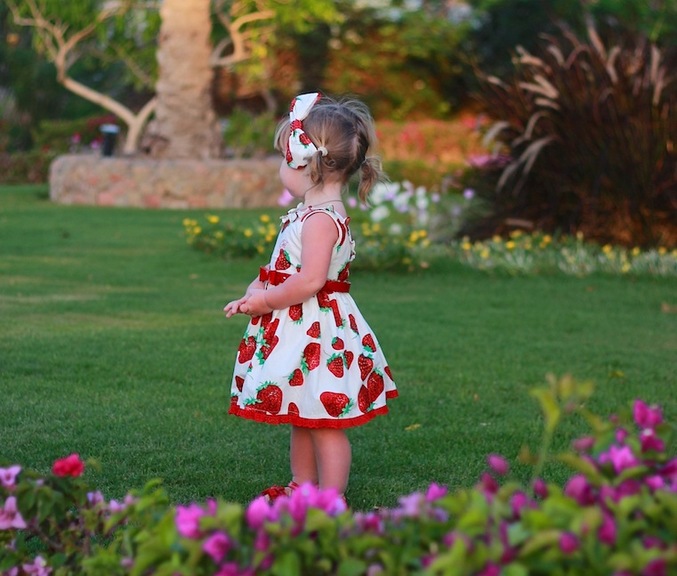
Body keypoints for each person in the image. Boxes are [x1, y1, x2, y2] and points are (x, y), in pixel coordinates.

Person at [223, 92, 398, 503]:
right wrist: (257, 288)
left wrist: (267, 302)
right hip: (302, 328)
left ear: (307, 165)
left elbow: (310, 280)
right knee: (302, 413)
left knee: (326, 421)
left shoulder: (320, 220)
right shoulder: (309, 213)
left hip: (317, 333)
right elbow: (285, 268)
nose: (281, 169)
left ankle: (330, 500)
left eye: (284, 160)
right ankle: (301, 487)